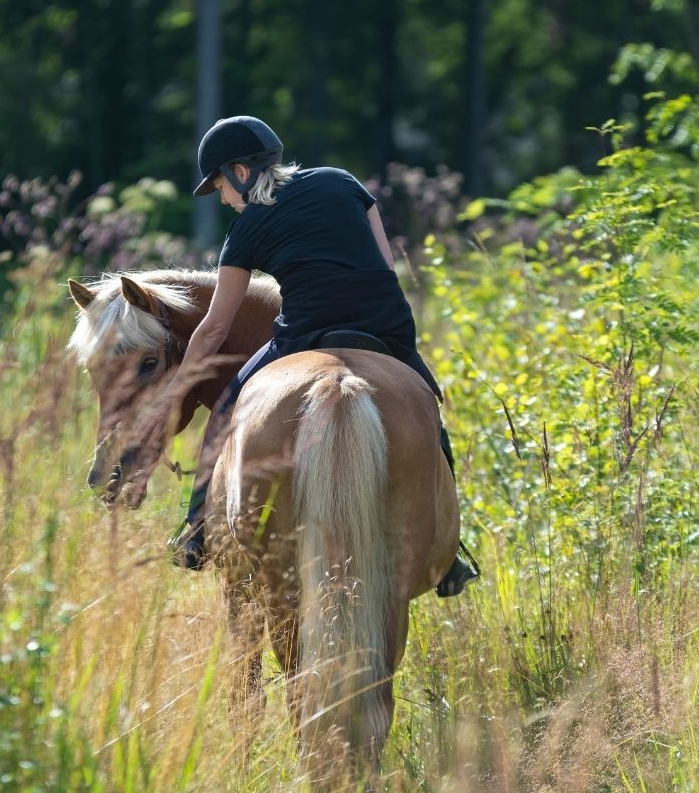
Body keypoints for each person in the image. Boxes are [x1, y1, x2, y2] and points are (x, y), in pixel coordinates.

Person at [162, 115, 478, 596]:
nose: (224, 197)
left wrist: (176, 387)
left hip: (305, 335)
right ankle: (451, 552)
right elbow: (385, 267)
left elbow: (215, 328)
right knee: (429, 413)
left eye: (221, 186)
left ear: (241, 173)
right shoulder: (342, 181)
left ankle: (196, 531)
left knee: (226, 408)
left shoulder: (246, 228)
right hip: (387, 327)